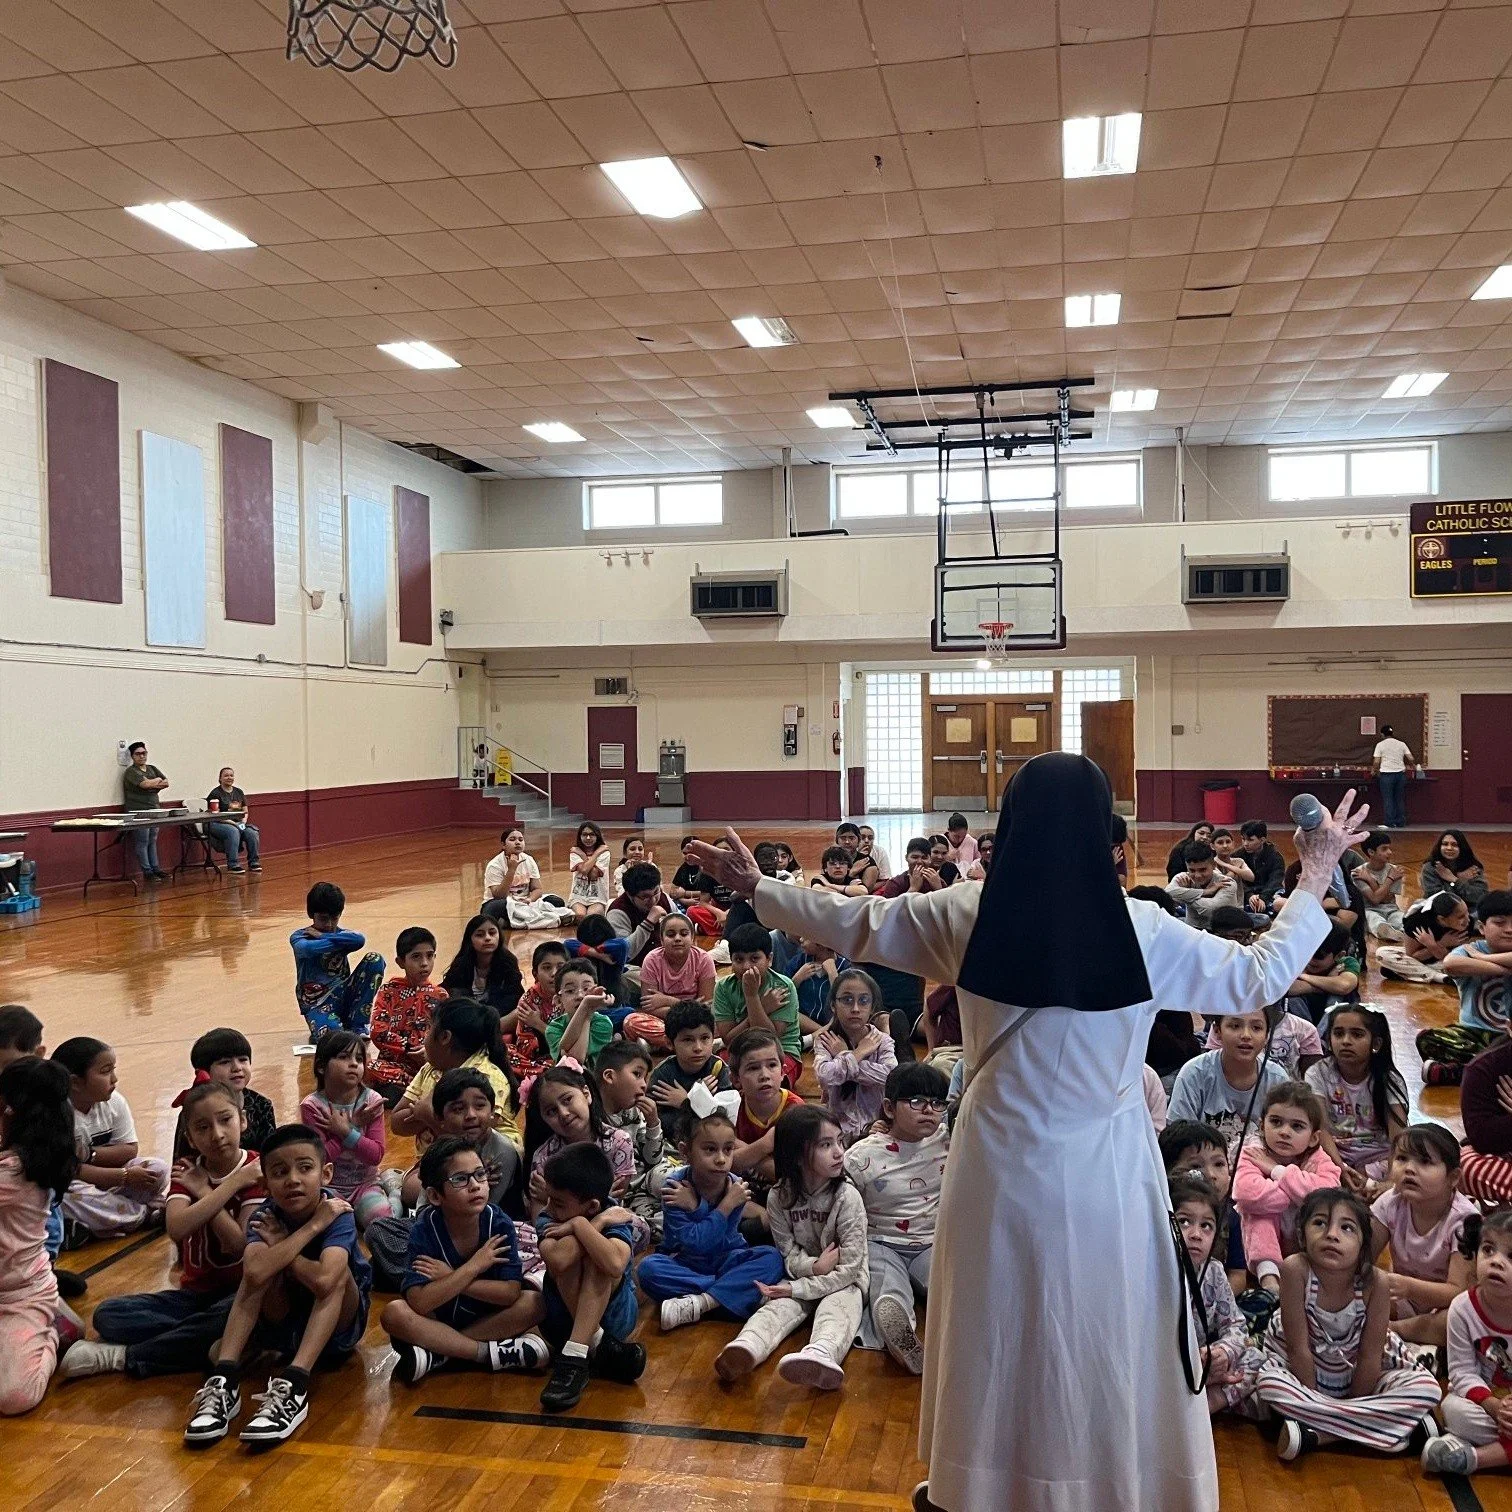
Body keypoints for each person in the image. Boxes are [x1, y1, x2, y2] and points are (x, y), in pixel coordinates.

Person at [686, 756, 1360, 1512]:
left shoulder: (967, 913)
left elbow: (857, 923)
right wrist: (1315, 872)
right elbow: (1259, 975)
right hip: (1106, 1170)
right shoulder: (1142, 929)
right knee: (1098, 1331)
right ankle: (1108, 1487)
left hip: (996, 1164)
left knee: (997, 1329)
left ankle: (980, 1485)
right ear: (1104, 836)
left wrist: (759, 889)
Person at [181, 1124, 371, 1447]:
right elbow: (254, 1274)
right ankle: (225, 1379)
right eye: (280, 1172)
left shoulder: (336, 1211)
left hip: (336, 1329)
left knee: (336, 1275)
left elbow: (325, 1280)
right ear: (265, 1184)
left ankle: (295, 1383)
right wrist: (310, 1229)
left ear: (326, 1174)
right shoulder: (266, 1216)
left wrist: (288, 1242)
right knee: (257, 1271)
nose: (293, 1179)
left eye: (305, 1168)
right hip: (284, 1322)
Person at [69, 1078, 264, 1380]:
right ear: (190, 1137)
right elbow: (177, 1227)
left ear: (243, 1120)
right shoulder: (189, 1170)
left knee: (240, 1317)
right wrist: (217, 1188)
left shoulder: (254, 1170)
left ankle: (125, 1357)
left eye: (225, 1120)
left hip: (241, 1294)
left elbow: (237, 1243)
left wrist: (209, 1190)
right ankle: (207, 1341)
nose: (217, 1134)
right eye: (202, 1128)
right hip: (195, 1296)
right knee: (108, 1316)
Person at [1254, 1187, 1440, 1461]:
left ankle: (1319, 1435)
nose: (1332, 1234)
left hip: (1360, 1378)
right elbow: (1298, 1350)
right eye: (1320, 1223)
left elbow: (1370, 1357)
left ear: (1364, 1245)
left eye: (1347, 1228)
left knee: (1428, 1388)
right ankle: (1396, 1433)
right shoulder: (1296, 1269)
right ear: (1302, 1235)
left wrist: (1351, 1403)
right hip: (1304, 1375)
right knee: (1269, 1385)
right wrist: (1314, 1396)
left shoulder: (1376, 1282)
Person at [713, 1104, 867, 1390]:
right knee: (774, 1308)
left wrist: (799, 1287)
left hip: (845, 1282)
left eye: (839, 1142)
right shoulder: (778, 1196)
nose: (839, 1152)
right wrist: (812, 1268)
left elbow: (849, 1270)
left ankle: (821, 1353)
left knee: (837, 1311)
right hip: (802, 1274)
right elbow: (788, 1253)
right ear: (796, 1155)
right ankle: (747, 1346)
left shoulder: (848, 1197)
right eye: (826, 1145)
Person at [381, 1136, 548, 1385]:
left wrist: (452, 1276)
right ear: (435, 1196)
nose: (475, 1185)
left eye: (480, 1175)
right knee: (393, 1313)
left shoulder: (498, 1223)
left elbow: (510, 1293)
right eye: (460, 1179)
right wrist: (473, 1266)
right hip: (439, 1317)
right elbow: (419, 1302)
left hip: (488, 1318)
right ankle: (483, 1354)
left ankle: (441, 1352)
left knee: (535, 1302)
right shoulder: (425, 1229)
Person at [636, 1102, 785, 1331]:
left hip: (727, 1259)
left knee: (772, 1257)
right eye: (710, 1150)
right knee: (649, 1269)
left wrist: (698, 1207)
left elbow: (723, 1241)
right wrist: (724, 1206)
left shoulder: (735, 1186)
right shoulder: (675, 1187)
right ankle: (733, 1294)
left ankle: (700, 1303)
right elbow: (697, 1244)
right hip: (687, 1262)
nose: (721, 1159)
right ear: (685, 1152)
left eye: (728, 1150)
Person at [844, 1062, 950, 1375]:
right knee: (888, 1286)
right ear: (889, 1108)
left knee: (949, 1287)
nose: (928, 1110)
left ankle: (964, 1336)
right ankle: (900, 1336)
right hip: (881, 1242)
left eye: (937, 1102)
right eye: (916, 1101)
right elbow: (843, 1206)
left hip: (932, 1241)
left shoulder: (949, 1140)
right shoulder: (862, 1155)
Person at [534, 1142, 646, 1411]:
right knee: (571, 1258)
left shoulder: (614, 1215)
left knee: (600, 1261)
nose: (549, 1207)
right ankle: (599, 1346)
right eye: (549, 1198)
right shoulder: (550, 1216)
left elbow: (615, 1264)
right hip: (561, 1323)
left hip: (617, 1318)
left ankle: (574, 1359)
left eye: (558, 1202)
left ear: (593, 1205)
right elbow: (559, 1261)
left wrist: (581, 1226)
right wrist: (591, 1224)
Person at [0, 1056, 77, 1416]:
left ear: (10, 1110)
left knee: (16, 1396)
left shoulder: (14, 1174)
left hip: (19, 1295)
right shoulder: (31, 1158)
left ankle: (53, 1330)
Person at [51, 1037, 169, 1243]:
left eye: (113, 1070)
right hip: (73, 1185)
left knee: (157, 1169)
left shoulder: (115, 1102)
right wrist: (123, 1176)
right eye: (105, 1072)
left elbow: (129, 1149)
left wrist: (90, 1155)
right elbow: (71, 1171)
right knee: (67, 1199)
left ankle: (102, 1220)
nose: (114, 1079)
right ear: (75, 1082)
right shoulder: (55, 1114)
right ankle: (145, 1214)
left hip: (107, 1179)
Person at [1423, 1208, 1512, 1477]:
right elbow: (1462, 1373)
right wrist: (1494, 1407)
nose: (1496, 1262)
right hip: (1486, 1406)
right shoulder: (1462, 1308)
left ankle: (1474, 1458)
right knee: (1453, 1409)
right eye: (1488, 1250)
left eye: (1511, 1256)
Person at [1368, 1124, 1474, 1350]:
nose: (1409, 1169)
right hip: (1401, 1300)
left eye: (1425, 1162)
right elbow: (1362, 1258)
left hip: (1444, 1307)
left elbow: (1458, 1291)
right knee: (1351, 1290)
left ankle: (1396, 1330)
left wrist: (1409, 1287)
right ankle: (1407, 1334)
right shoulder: (1390, 1203)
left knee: (1461, 1319)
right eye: (1402, 1158)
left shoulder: (1464, 1221)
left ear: (1453, 1177)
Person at [1232, 1081, 1339, 1295]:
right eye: (1276, 1122)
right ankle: (1270, 1282)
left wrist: (1276, 1171)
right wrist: (1299, 1191)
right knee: (1257, 1213)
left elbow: (1328, 1197)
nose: (1284, 1132)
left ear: (1313, 1138)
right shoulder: (1253, 1152)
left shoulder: (1319, 1158)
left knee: (1325, 1217)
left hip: (1304, 1247)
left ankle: (1313, 1278)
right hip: (1262, 1248)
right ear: (1262, 1126)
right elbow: (1246, 1194)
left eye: (1297, 1126)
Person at [1170, 1173, 1262, 1417]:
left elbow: (1235, 1327)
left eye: (1206, 1226)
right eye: (1184, 1222)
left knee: (1255, 1359)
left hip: (1204, 1364)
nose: (1196, 1234)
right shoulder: (1153, 1274)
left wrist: (1221, 1353)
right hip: (1165, 1367)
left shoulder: (1214, 1272)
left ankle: (1207, 1405)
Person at [390, 998, 522, 1151]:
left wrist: (428, 1115)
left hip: (491, 1160)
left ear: (444, 1037)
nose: (424, 1038)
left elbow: (474, 1141)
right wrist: (430, 1113)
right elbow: (396, 1123)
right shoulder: (431, 1068)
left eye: (429, 1029)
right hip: (443, 1158)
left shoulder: (486, 1076)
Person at [1307, 1006, 1408, 1194]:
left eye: (1357, 1034)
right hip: (1333, 1155)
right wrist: (1341, 1168)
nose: (1346, 1041)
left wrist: (1390, 1183)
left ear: (1376, 1043)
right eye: (1338, 1034)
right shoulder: (1317, 1073)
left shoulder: (1389, 1080)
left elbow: (1398, 1138)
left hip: (1379, 1158)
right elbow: (1321, 1130)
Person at [1418, 890, 1512, 1085]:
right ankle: (1487, 1071)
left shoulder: (1476, 954)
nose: (1509, 929)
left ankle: (1462, 1071)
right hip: (1474, 1035)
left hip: (1509, 1038)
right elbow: (1450, 964)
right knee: (1427, 1039)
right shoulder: (1472, 949)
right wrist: (1505, 969)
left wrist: (1482, 959)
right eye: (1500, 923)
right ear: (1482, 927)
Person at [1167, 1010, 1289, 1158]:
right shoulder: (1194, 1073)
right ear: (1217, 1031)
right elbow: (1179, 1138)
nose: (1246, 1035)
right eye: (1235, 1026)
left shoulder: (1277, 1079)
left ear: (1267, 1035)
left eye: (1256, 1028)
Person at [299, 1031, 388, 1233]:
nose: (354, 1064)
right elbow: (320, 1158)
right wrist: (352, 1127)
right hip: (328, 1186)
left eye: (359, 1059)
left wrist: (345, 1131)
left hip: (366, 1184)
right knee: (332, 1224)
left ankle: (393, 1192)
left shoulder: (371, 1101)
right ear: (321, 1067)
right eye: (344, 1057)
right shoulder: (313, 1106)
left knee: (382, 1221)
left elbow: (375, 1155)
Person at [289, 883, 385, 1042]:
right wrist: (336, 941)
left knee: (375, 959)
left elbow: (359, 940)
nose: (329, 925)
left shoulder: (340, 935)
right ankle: (333, 1025)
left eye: (334, 918)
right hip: (318, 1004)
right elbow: (307, 949)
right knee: (333, 1039)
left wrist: (322, 936)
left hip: (345, 995)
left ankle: (358, 1023)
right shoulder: (300, 937)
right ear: (311, 914)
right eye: (323, 919)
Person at [814, 968, 897, 1145]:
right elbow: (825, 1077)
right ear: (833, 1005)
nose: (856, 1009)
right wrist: (858, 1053)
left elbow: (891, 1076)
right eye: (847, 1000)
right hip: (838, 1131)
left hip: (877, 1127)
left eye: (864, 1001)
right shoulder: (826, 1040)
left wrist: (843, 1056)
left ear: (872, 1007)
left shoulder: (882, 1040)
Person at [712, 923, 802, 1087]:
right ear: (731, 960)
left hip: (781, 1051)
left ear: (769, 959)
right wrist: (762, 1006)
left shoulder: (783, 987)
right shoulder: (724, 988)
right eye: (739, 959)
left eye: (754, 959)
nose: (746, 966)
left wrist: (752, 996)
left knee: (774, 1082)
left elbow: (769, 1038)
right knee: (720, 1075)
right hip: (739, 1049)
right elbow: (729, 1039)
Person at [1162, 1121, 1247, 1293]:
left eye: (1219, 1164)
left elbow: (1238, 1274)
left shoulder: (1231, 1216)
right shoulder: (1161, 1214)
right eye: (1195, 1166)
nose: (1211, 1175)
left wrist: (1212, 1298)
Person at [369, 927, 447, 1104]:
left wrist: (429, 1053)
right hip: (394, 1065)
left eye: (430, 956)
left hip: (429, 1065)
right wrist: (409, 1048)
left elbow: (447, 1035)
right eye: (416, 957)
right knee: (366, 1067)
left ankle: (409, 1093)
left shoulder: (441, 995)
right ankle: (418, 1092)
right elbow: (378, 1032)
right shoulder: (389, 991)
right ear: (400, 962)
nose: (424, 963)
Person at [174, 1028, 276, 1157]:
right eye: (225, 1062)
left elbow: (271, 1154)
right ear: (204, 1072)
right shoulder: (194, 1110)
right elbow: (182, 1160)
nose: (237, 1068)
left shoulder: (261, 1104)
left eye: (243, 1060)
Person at [646, 1002, 731, 1142]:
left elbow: (725, 1119)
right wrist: (700, 1105)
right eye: (688, 1040)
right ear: (669, 1043)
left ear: (713, 1037)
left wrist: (687, 1102)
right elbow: (656, 1121)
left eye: (704, 1038)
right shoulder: (663, 1075)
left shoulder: (718, 1069)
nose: (698, 1047)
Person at [1379, 889, 1472, 986]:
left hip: (1442, 963)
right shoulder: (1416, 920)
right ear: (1442, 919)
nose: (1467, 919)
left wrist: (1436, 946)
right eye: (1461, 917)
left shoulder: (1467, 924)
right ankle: (1440, 977)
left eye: (1467, 913)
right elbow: (1413, 956)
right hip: (1420, 960)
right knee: (1382, 953)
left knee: (1468, 962)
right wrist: (1438, 944)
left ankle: (1405, 972)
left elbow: (1450, 958)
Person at [482, 827, 569, 931]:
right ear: (503, 845)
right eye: (512, 839)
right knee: (495, 907)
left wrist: (529, 900)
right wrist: (511, 870)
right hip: (504, 903)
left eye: (521, 839)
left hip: (525, 903)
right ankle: (524, 919)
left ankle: (513, 921)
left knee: (556, 901)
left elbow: (537, 889)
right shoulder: (495, 865)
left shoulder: (529, 860)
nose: (517, 842)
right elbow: (499, 896)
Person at [439, 915, 524, 1018]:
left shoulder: (508, 962)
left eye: (492, 933)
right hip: (468, 1017)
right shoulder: (461, 963)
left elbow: (514, 997)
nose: (487, 938)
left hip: (498, 1017)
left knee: (517, 1013)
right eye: (480, 935)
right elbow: (448, 992)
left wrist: (489, 1016)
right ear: (470, 939)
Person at [120, 740, 171, 881]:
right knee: (142, 840)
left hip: (155, 809)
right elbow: (145, 784)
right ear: (132, 756)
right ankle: (147, 871)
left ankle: (156, 868)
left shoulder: (152, 768)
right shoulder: (131, 772)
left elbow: (166, 782)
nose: (142, 756)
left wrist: (153, 783)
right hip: (138, 811)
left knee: (152, 840)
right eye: (138, 754)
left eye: (144, 753)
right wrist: (156, 781)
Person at [1167, 841, 1240, 929]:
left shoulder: (1227, 882)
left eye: (1203, 870)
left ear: (1214, 865)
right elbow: (1168, 892)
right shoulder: (1184, 878)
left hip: (1221, 933)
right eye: (1192, 870)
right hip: (1192, 931)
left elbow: (1209, 910)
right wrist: (1206, 891)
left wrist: (1185, 895)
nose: (1197, 875)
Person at [203, 766, 261, 873]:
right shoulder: (215, 793)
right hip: (217, 823)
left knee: (252, 832)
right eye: (226, 776)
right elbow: (215, 815)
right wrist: (234, 825)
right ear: (220, 778)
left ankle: (254, 862)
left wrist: (243, 823)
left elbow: (245, 811)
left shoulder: (239, 792)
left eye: (231, 775)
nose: (229, 777)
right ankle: (233, 864)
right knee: (233, 831)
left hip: (238, 823)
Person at [1352, 830, 1405, 942]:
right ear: (1371, 852)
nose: (1390, 852)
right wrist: (1390, 879)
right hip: (1369, 910)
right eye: (1384, 849)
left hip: (1392, 910)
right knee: (1374, 920)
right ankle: (1387, 931)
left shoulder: (1394, 870)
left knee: (1403, 920)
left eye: (1389, 848)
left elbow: (1387, 899)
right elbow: (1375, 900)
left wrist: (1371, 880)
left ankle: (1402, 930)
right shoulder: (1358, 872)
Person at [1420, 829, 1490, 912]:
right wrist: (1458, 881)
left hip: (1469, 911)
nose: (1449, 848)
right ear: (1439, 847)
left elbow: (1480, 897)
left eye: (1454, 845)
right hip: (1440, 913)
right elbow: (1439, 900)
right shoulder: (1431, 867)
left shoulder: (1472, 868)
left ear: (1462, 847)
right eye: (1445, 844)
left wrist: (1454, 879)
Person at [1371, 723, 1417, 829]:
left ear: (1382, 734)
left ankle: (1389, 822)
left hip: (1386, 775)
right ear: (1392, 733)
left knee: (1388, 799)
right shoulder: (1401, 744)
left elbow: (1376, 761)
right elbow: (1411, 758)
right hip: (1400, 775)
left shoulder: (1380, 745)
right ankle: (1400, 822)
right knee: (1399, 798)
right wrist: (1413, 766)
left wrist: (1374, 771)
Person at [1240, 821, 1287, 914]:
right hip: (1248, 894)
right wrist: (1249, 895)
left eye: (1250, 840)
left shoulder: (1275, 856)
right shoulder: (1238, 856)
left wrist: (1262, 898)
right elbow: (1237, 881)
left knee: (1280, 904)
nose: (1245, 843)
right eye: (1243, 839)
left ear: (1262, 840)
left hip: (1269, 892)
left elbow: (1275, 881)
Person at [568, 821, 612, 919]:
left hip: (598, 899)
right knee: (580, 915)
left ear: (597, 836)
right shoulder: (575, 852)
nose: (588, 838)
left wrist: (592, 854)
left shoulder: (604, 853)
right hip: (578, 898)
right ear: (580, 836)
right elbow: (584, 870)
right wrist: (594, 854)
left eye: (592, 835)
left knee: (591, 917)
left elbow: (593, 874)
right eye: (584, 835)